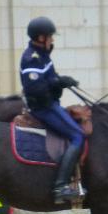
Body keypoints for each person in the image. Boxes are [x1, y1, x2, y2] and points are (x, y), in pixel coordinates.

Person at [20, 16, 84, 202]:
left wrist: (61, 81)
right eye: (50, 36)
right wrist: (58, 83)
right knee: (78, 135)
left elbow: (49, 79)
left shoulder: (43, 55)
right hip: (43, 108)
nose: (52, 40)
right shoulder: (32, 58)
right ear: (41, 37)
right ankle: (60, 187)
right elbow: (34, 88)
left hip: (51, 104)